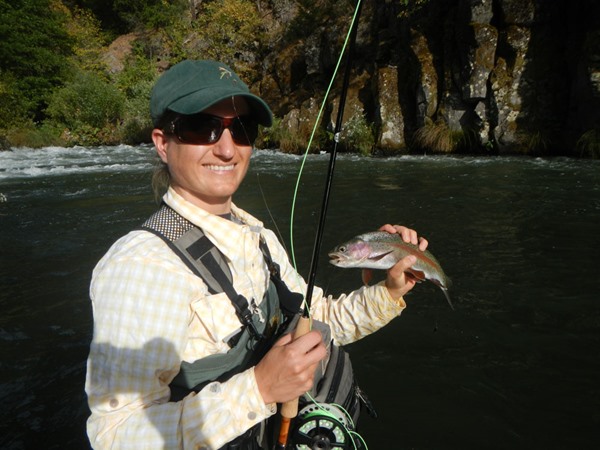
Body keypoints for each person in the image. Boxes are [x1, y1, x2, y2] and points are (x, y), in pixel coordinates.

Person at [85, 59, 429, 449]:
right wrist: (260, 388)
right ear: (163, 143)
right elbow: (115, 436)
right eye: (203, 127)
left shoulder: (254, 232)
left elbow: (320, 320)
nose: (228, 149)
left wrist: (390, 290)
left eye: (242, 129)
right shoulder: (142, 267)